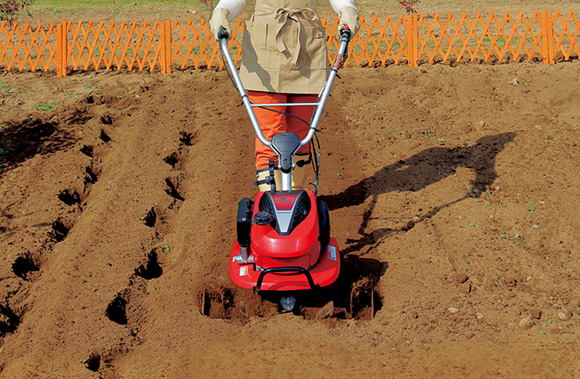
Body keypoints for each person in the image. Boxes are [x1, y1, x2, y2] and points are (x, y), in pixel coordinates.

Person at [210, 0, 359, 191]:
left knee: (302, 132)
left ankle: (296, 197)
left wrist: (347, 10)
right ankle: (270, 200)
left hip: (307, 47)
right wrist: (222, 12)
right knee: (269, 134)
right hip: (264, 51)